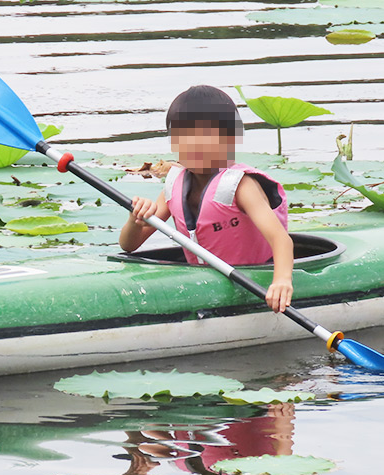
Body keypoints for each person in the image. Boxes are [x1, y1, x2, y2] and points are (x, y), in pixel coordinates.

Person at [119, 85, 294, 313]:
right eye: (183, 137)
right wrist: (135, 220)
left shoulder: (241, 186)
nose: (193, 147)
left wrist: (281, 281)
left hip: (254, 277)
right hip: (202, 281)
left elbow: (281, 240)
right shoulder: (175, 185)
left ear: (230, 139)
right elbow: (129, 245)